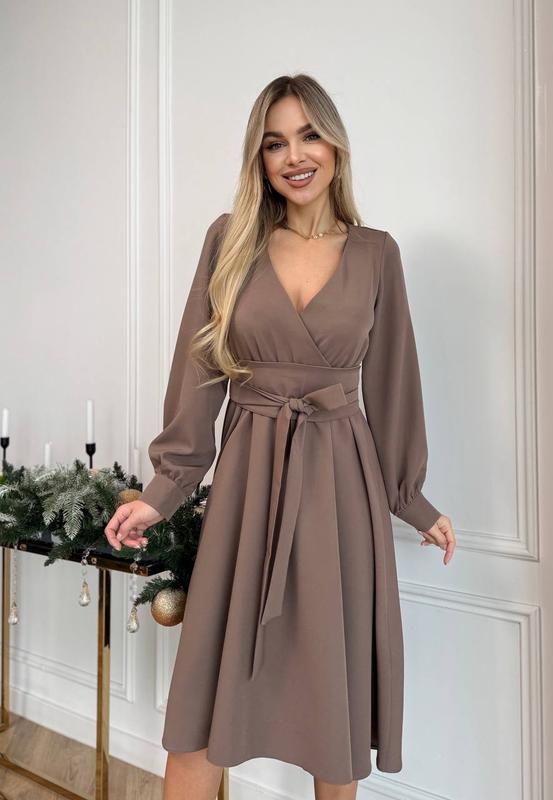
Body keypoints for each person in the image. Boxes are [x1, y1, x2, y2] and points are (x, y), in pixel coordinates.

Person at [105, 73, 456, 800]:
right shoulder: (230, 240)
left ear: (335, 145)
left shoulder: (376, 253)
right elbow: (199, 371)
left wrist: (411, 500)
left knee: (334, 711)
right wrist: (162, 491)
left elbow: (394, 384)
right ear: (258, 159)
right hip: (247, 485)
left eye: (308, 135)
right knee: (204, 708)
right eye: (274, 143)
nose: (294, 156)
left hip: (341, 489)